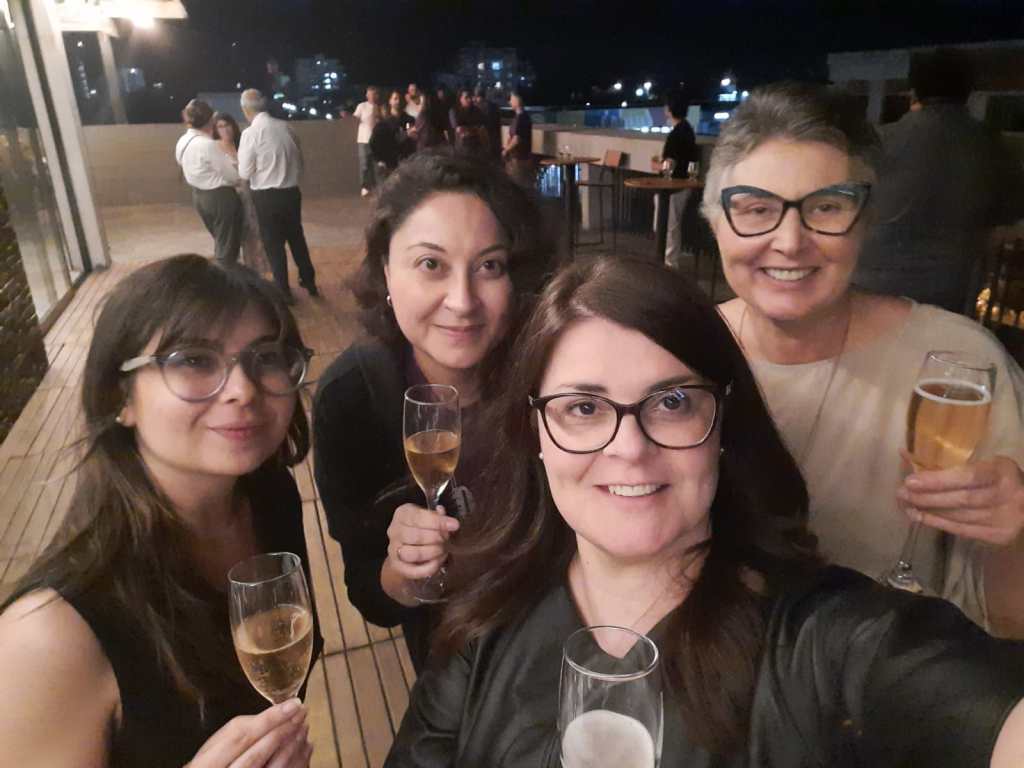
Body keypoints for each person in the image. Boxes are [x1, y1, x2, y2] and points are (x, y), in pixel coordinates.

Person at [385, 256, 1024, 767]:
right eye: (583, 408)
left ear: (722, 423)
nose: (629, 448)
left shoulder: (822, 641)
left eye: (672, 403)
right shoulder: (486, 622)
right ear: (537, 435)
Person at [701, 82, 1024, 636]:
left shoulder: (961, 363)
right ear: (715, 223)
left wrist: (1015, 532)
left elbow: (1009, 618)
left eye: (827, 207)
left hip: (896, 666)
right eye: (756, 209)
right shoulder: (684, 352)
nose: (790, 241)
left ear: (865, 222)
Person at [0, 255, 323, 768]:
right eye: (193, 360)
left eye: (265, 357)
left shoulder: (270, 497)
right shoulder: (49, 639)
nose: (243, 389)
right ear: (119, 397)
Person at [312, 151, 556, 671]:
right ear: (385, 271)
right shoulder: (353, 399)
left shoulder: (552, 369)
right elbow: (369, 590)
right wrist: (404, 572)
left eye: (489, 266)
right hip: (454, 662)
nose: (462, 301)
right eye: (431, 265)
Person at [854, 50, 1024, 313]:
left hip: (869, 280)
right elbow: (1008, 219)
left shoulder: (882, 140)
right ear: (969, 89)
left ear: (914, 90)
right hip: (947, 290)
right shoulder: (991, 146)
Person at [239, 88, 318, 303]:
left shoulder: (250, 134)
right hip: (291, 193)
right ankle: (309, 281)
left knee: (274, 244)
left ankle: (283, 290)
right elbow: (299, 161)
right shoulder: (286, 127)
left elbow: (244, 172)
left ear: (245, 109)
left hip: (266, 196)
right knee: (296, 238)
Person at [175, 99, 243, 264]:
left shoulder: (183, 141)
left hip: (199, 197)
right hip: (220, 198)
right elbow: (232, 176)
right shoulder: (207, 145)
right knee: (227, 247)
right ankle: (225, 276)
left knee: (220, 240)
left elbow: (180, 162)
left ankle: (223, 271)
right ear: (210, 120)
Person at [213, 111, 270, 276]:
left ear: (233, 126)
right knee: (234, 238)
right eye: (220, 126)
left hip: (251, 195)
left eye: (227, 125)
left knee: (255, 235)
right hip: (230, 197)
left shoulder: (242, 143)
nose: (225, 129)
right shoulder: (214, 148)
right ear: (216, 129)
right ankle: (234, 276)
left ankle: (257, 272)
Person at [654, 88, 700, 268]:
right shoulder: (687, 130)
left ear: (670, 109)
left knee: (668, 226)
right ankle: (669, 263)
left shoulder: (675, 135)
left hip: (673, 187)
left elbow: (669, 165)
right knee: (672, 226)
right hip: (683, 185)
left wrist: (656, 166)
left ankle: (669, 265)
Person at [370, 90, 415, 176]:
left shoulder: (409, 119)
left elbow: (412, 140)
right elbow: (374, 143)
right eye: (395, 98)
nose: (398, 101)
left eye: (400, 99)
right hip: (390, 165)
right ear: (390, 101)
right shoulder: (383, 123)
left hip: (407, 163)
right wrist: (380, 161)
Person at [354, 87, 384, 196]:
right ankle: (365, 187)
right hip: (363, 139)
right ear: (367, 95)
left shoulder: (380, 107)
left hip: (377, 140)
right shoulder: (361, 106)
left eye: (374, 94)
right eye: (369, 94)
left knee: (378, 165)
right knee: (364, 164)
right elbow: (355, 118)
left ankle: (380, 187)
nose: (371, 96)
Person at [502, 89, 533, 185]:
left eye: (511, 99)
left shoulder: (521, 118)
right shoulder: (520, 117)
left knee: (518, 184)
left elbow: (516, 139)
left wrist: (506, 150)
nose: (509, 102)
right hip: (518, 158)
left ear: (517, 99)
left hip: (519, 159)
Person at [449, 89, 486, 156]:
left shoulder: (476, 110)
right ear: (460, 99)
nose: (469, 100)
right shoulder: (454, 111)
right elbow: (459, 130)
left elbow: (481, 128)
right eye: (466, 97)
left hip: (476, 146)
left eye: (470, 97)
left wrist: (468, 129)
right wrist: (474, 128)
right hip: (461, 147)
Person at [472, 85, 502, 163]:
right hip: (495, 139)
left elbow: (479, 124)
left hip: (485, 140)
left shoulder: (478, 107)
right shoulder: (494, 106)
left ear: (477, 96)